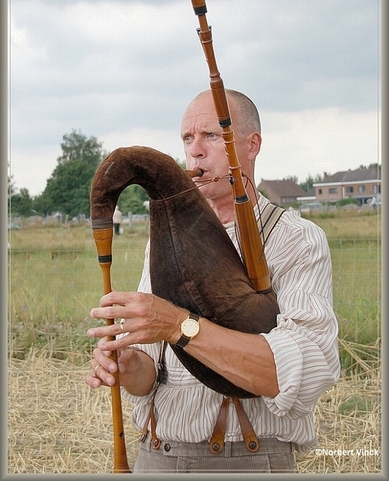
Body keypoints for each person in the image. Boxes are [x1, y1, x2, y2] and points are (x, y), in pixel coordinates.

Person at [85, 89, 340, 473]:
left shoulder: (296, 239)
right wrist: (127, 365)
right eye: (187, 139)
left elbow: (294, 377)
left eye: (212, 135)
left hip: (246, 461)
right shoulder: (165, 240)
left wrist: (177, 324)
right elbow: (150, 375)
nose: (195, 151)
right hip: (157, 456)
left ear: (251, 145)